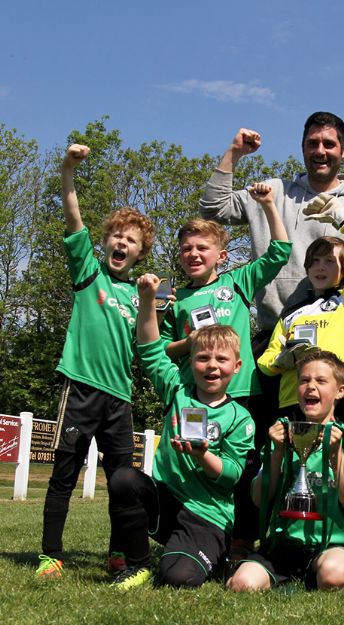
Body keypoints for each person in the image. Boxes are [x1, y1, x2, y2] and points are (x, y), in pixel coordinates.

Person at [199, 113, 344, 431]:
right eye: (312, 143)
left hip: (338, 347)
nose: (320, 151)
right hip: (274, 344)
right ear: (302, 148)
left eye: (329, 144)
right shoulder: (273, 192)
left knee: (339, 445)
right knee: (267, 444)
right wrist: (234, 152)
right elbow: (213, 207)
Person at [36, 144, 156, 579]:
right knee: (63, 476)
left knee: (121, 483)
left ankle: (118, 556)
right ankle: (51, 554)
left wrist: (154, 304)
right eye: (116, 237)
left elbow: (151, 347)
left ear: (140, 253)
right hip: (81, 388)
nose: (121, 243)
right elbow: (72, 214)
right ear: (104, 242)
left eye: (132, 241)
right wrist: (68, 169)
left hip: (119, 400)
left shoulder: (143, 295)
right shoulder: (88, 271)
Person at [160, 185, 290, 553]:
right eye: (186, 248)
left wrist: (267, 205)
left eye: (202, 247)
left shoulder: (237, 283)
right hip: (196, 398)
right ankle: (192, 536)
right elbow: (164, 349)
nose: (193, 254)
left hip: (242, 394)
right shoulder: (175, 299)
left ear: (222, 254)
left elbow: (280, 251)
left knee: (245, 470)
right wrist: (192, 342)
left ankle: (242, 542)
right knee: (195, 466)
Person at [105, 274, 255, 589]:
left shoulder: (240, 418)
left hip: (207, 513)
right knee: (123, 479)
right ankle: (137, 563)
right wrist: (148, 301)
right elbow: (148, 347)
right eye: (202, 357)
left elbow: (231, 476)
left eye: (221, 359)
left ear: (237, 366)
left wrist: (203, 455)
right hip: (167, 501)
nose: (212, 365)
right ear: (191, 360)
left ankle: (214, 552)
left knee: (178, 578)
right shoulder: (177, 390)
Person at [226, 351, 344, 592]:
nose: (310, 387)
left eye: (321, 381)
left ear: (340, 391)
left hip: (332, 546)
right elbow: (259, 499)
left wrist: (337, 457)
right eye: (304, 380)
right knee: (243, 584)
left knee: (333, 576)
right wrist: (276, 455)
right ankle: (269, 570)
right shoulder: (280, 433)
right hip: (284, 544)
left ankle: (328, 569)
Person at [257, 196, 344, 423]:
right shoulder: (292, 313)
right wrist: (279, 361)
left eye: (329, 261)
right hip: (291, 401)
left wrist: (342, 218)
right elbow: (265, 361)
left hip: (334, 400)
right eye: (315, 261)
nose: (320, 267)